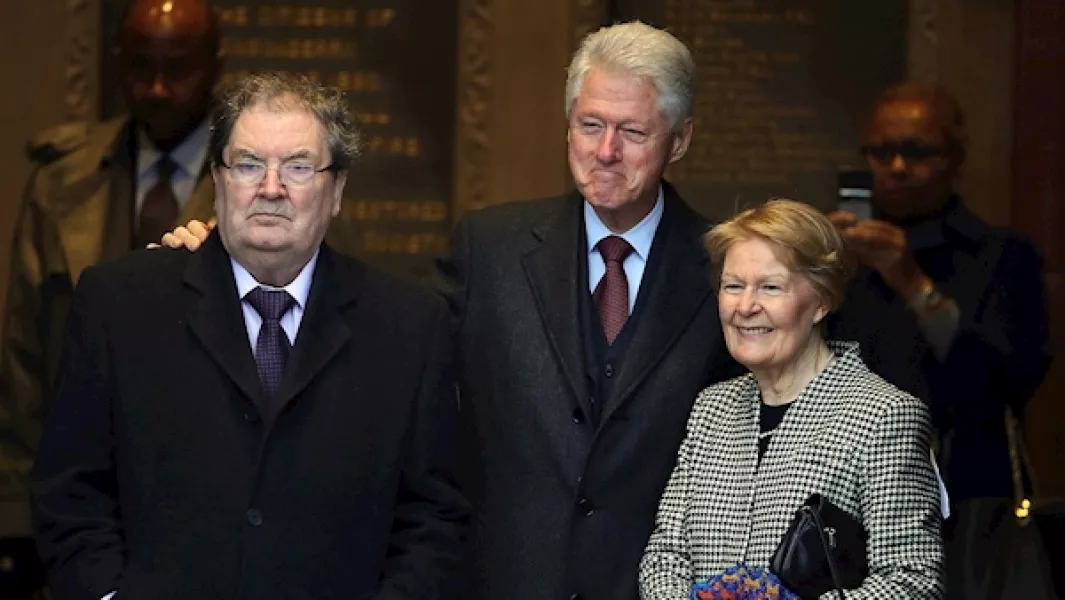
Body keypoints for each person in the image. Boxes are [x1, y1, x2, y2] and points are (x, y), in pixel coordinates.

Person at [157, 21, 739, 600]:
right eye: (590, 126)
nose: (606, 152)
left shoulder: (726, 273)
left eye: (633, 132)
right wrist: (232, 257)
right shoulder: (490, 249)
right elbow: (373, 342)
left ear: (679, 140)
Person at [30, 72, 468, 600]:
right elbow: (70, 496)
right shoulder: (118, 305)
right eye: (248, 164)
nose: (271, 188)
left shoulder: (410, 326)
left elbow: (434, 520)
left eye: (299, 167)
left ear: (337, 191)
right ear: (217, 180)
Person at [0, 0, 222, 575]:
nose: (157, 88)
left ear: (217, 66)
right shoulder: (62, 182)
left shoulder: (263, 188)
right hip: (82, 495)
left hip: (208, 496)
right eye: (140, 68)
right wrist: (19, 521)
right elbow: (23, 364)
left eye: (179, 69)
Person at [639, 199, 945, 599]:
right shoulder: (711, 408)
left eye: (770, 287)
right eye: (733, 286)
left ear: (821, 301)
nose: (746, 307)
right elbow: (666, 554)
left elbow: (914, 582)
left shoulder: (885, 417)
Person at [826, 82, 1053, 505]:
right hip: (843, 484)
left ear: (955, 159)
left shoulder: (1002, 255)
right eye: (881, 153)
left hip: (960, 489)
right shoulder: (837, 254)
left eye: (917, 153)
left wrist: (912, 282)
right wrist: (813, 271)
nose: (896, 167)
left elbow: (1007, 380)